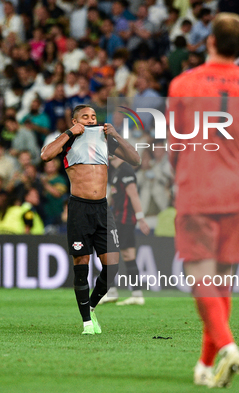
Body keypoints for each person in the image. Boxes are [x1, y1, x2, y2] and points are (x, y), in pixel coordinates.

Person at [167, 13, 239, 388]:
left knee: (200, 278)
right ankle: (204, 365)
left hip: (197, 187)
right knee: (222, 280)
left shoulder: (183, 84)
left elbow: (174, 142)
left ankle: (228, 347)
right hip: (236, 189)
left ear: (209, 41)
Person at [40, 104, 140, 335]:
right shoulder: (68, 140)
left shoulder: (106, 140)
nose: (91, 119)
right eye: (85, 116)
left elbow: (135, 160)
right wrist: (70, 132)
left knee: (112, 267)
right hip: (79, 209)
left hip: (102, 209)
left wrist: (116, 135)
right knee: (81, 265)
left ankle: (91, 306)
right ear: (75, 120)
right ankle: (86, 322)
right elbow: (45, 155)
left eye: (93, 116)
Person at [100, 155, 150, 306]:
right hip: (120, 219)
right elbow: (113, 195)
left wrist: (141, 218)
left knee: (109, 252)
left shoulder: (126, 170)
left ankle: (112, 291)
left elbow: (133, 194)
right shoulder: (116, 171)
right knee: (128, 255)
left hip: (124, 219)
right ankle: (136, 294)